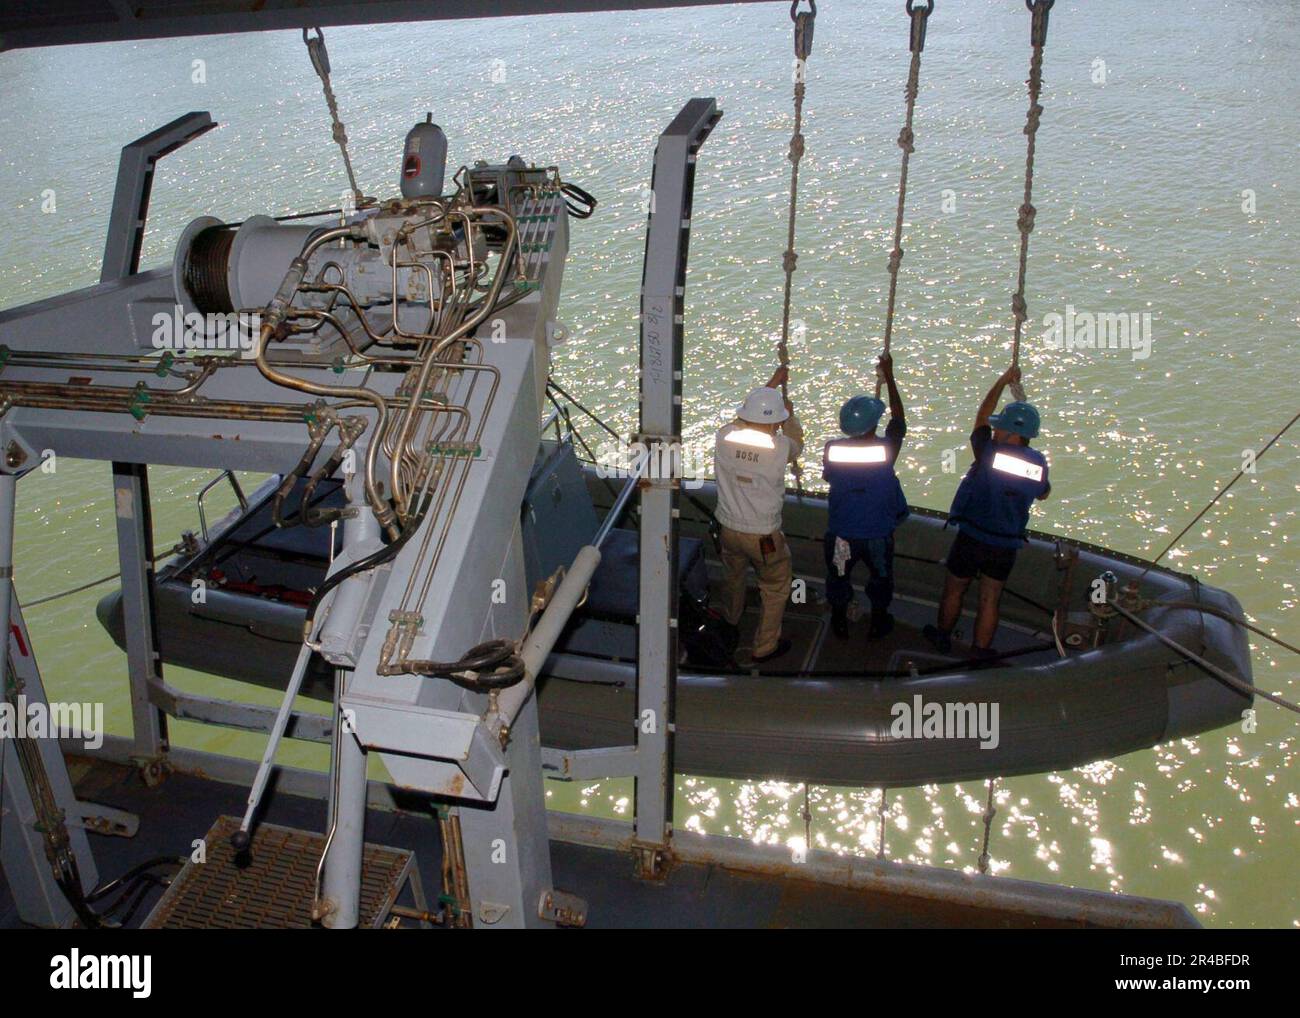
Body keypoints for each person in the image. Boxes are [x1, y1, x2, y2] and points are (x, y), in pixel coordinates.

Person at [924, 366, 1050, 658]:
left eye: (1000, 427)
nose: (994, 429)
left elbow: (982, 414)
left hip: (972, 538)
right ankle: (980, 653)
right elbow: (1043, 492)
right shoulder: (1037, 463)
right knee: (990, 598)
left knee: (955, 589)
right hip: (1005, 544)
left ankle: (942, 636)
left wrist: (1004, 380)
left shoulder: (988, 452)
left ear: (1011, 432)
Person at [713, 365, 804, 663]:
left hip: (728, 530)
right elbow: (797, 443)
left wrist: (772, 384)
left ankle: (730, 619)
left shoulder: (724, 436)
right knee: (775, 585)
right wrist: (788, 414)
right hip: (763, 537)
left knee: (734, 576)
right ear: (776, 421)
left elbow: (744, 418)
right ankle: (764, 646)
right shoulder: (779, 447)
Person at [821, 352, 909, 640]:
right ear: (873, 426)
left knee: (839, 577)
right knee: (881, 580)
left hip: (842, 534)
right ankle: (878, 622)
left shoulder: (832, 449)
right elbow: (899, 420)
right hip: (877, 536)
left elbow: (830, 476)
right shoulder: (886, 451)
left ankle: (839, 621)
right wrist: (889, 375)